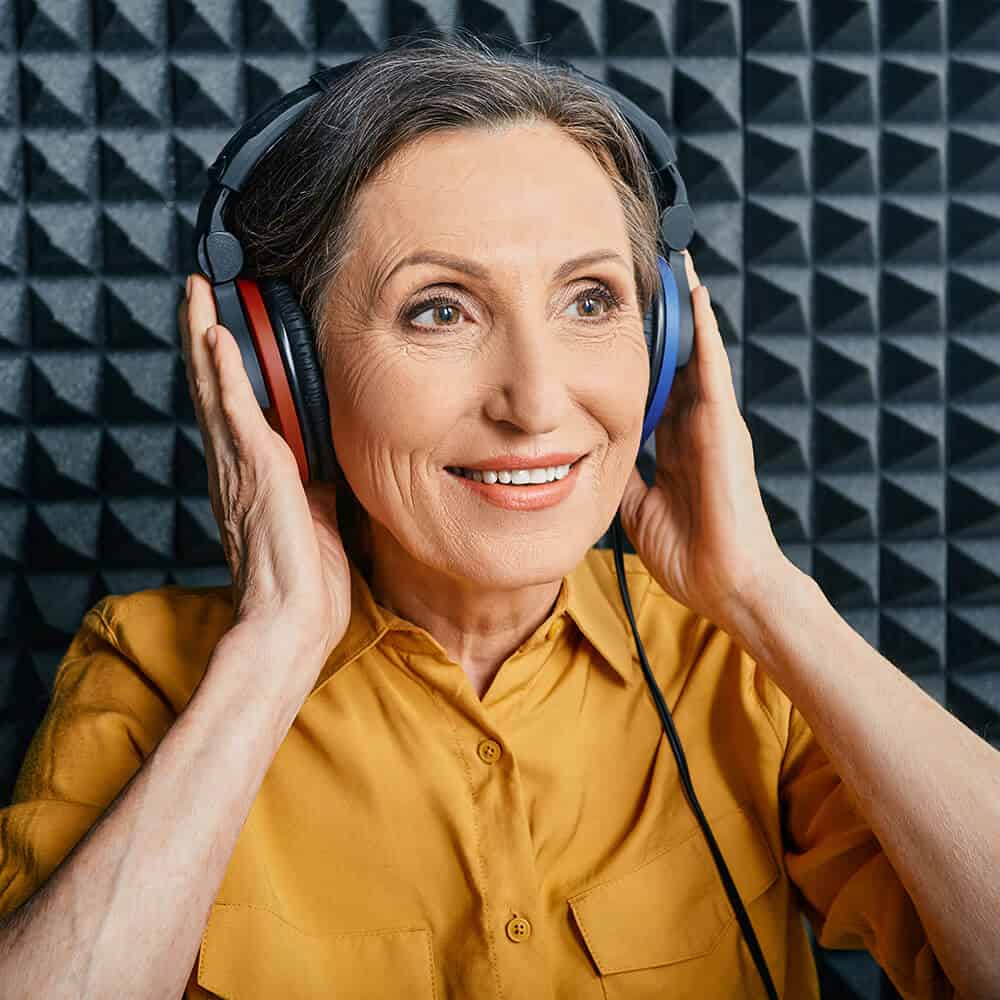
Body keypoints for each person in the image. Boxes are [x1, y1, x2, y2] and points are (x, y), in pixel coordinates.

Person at [0, 32, 996, 1000]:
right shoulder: (147, 672)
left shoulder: (733, 660)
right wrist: (270, 657)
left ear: (663, 345)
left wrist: (767, 596)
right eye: (441, 309)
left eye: (591, 300)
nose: (536, 401)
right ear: (283, 374)